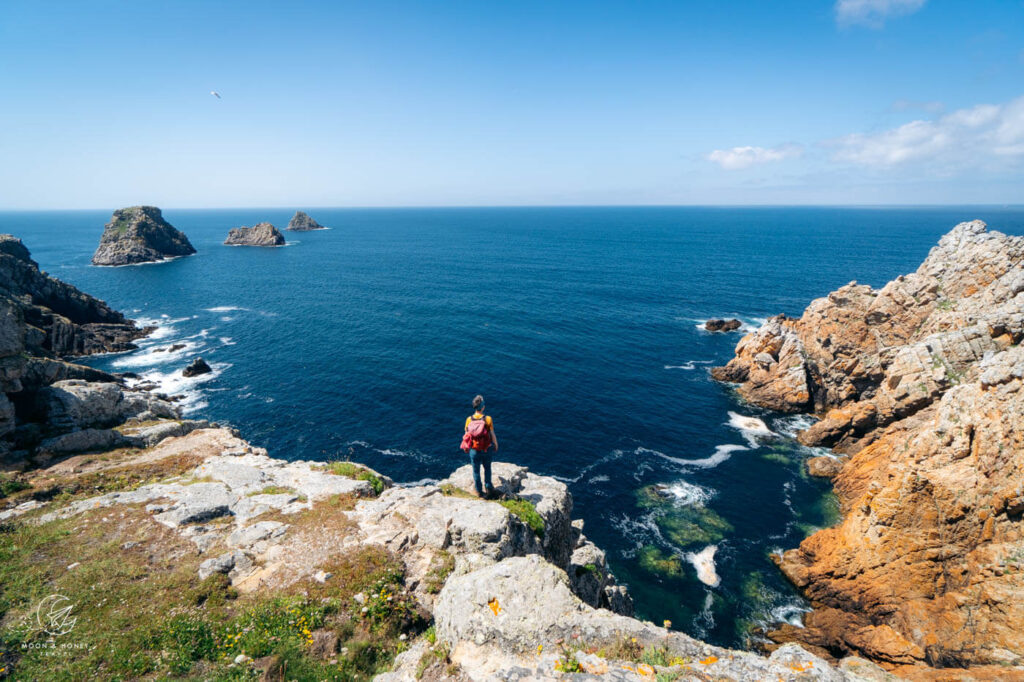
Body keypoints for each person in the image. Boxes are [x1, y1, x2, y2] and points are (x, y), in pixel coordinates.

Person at [463, 394, 498, 498]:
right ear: (483, 407)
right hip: (486, 448)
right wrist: (496, 444)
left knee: (476, 471)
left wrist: (466, 447)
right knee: (487, 468)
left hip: (474, 450)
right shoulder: (488, 419)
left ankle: (479, 491)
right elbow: (492, 434)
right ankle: (488, 487)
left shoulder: (469, 419)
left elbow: (466, 435)